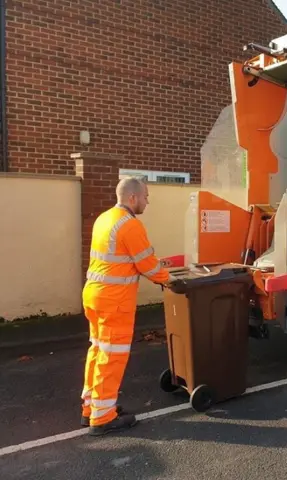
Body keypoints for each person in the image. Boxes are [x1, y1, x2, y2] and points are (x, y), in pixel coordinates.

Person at [80, 176, 173, 436]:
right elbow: (148, 266)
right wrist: (171, 279)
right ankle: (103, 417)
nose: (147, 201)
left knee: (98, 351)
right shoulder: (130, 225)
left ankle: (91, 408)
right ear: (132, 198)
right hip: (114, 302)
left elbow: (124, 259)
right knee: (112, 357)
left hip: (95, 295)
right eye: (145, 196)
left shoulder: (104, 218)